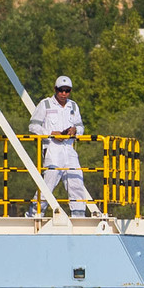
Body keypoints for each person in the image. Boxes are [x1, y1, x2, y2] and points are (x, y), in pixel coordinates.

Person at [27, 71, 93, 212]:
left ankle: (79, 216)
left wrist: (75, 131)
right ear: (55, 89)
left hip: (69, 148)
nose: (64, 93)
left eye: (67, 91)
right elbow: (33, 126)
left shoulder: (73, 106)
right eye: (61, 90)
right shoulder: (45, 104)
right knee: (49, 183)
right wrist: (51, 134)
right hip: (52, 149)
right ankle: (34, 213)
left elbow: (81, 126)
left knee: (76, 180)